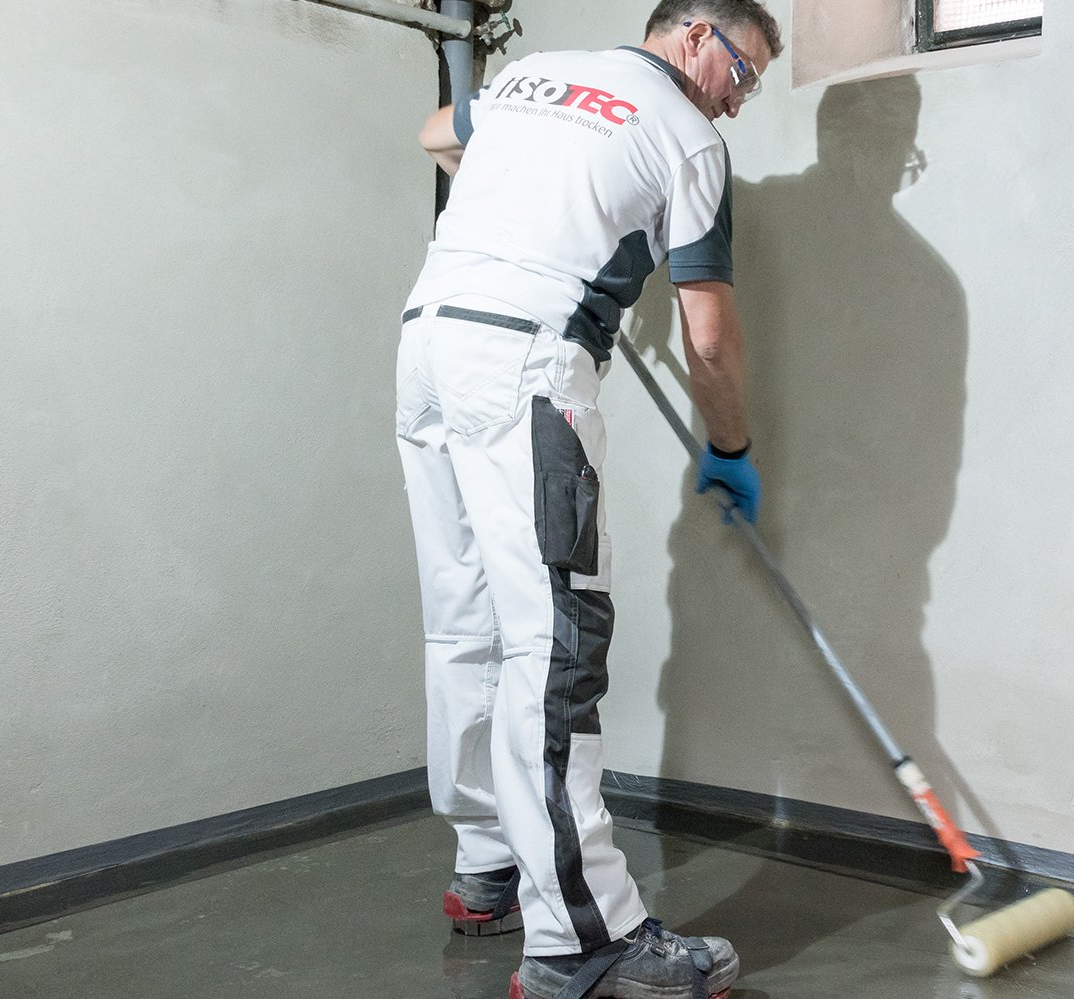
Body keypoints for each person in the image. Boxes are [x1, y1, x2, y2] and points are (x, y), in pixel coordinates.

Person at [393, 3, 780, 997]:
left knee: (466, 618)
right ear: (693, 33)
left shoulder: (535, 76)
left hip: (430, 343)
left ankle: (486, 864)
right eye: (743, 71)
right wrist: (729, 444)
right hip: (523, 363)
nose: (739, 101)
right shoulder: (685, 136)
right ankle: (583, 939)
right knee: (553, 643)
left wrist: (534, 214)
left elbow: (437, 135)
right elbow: (709, 333)